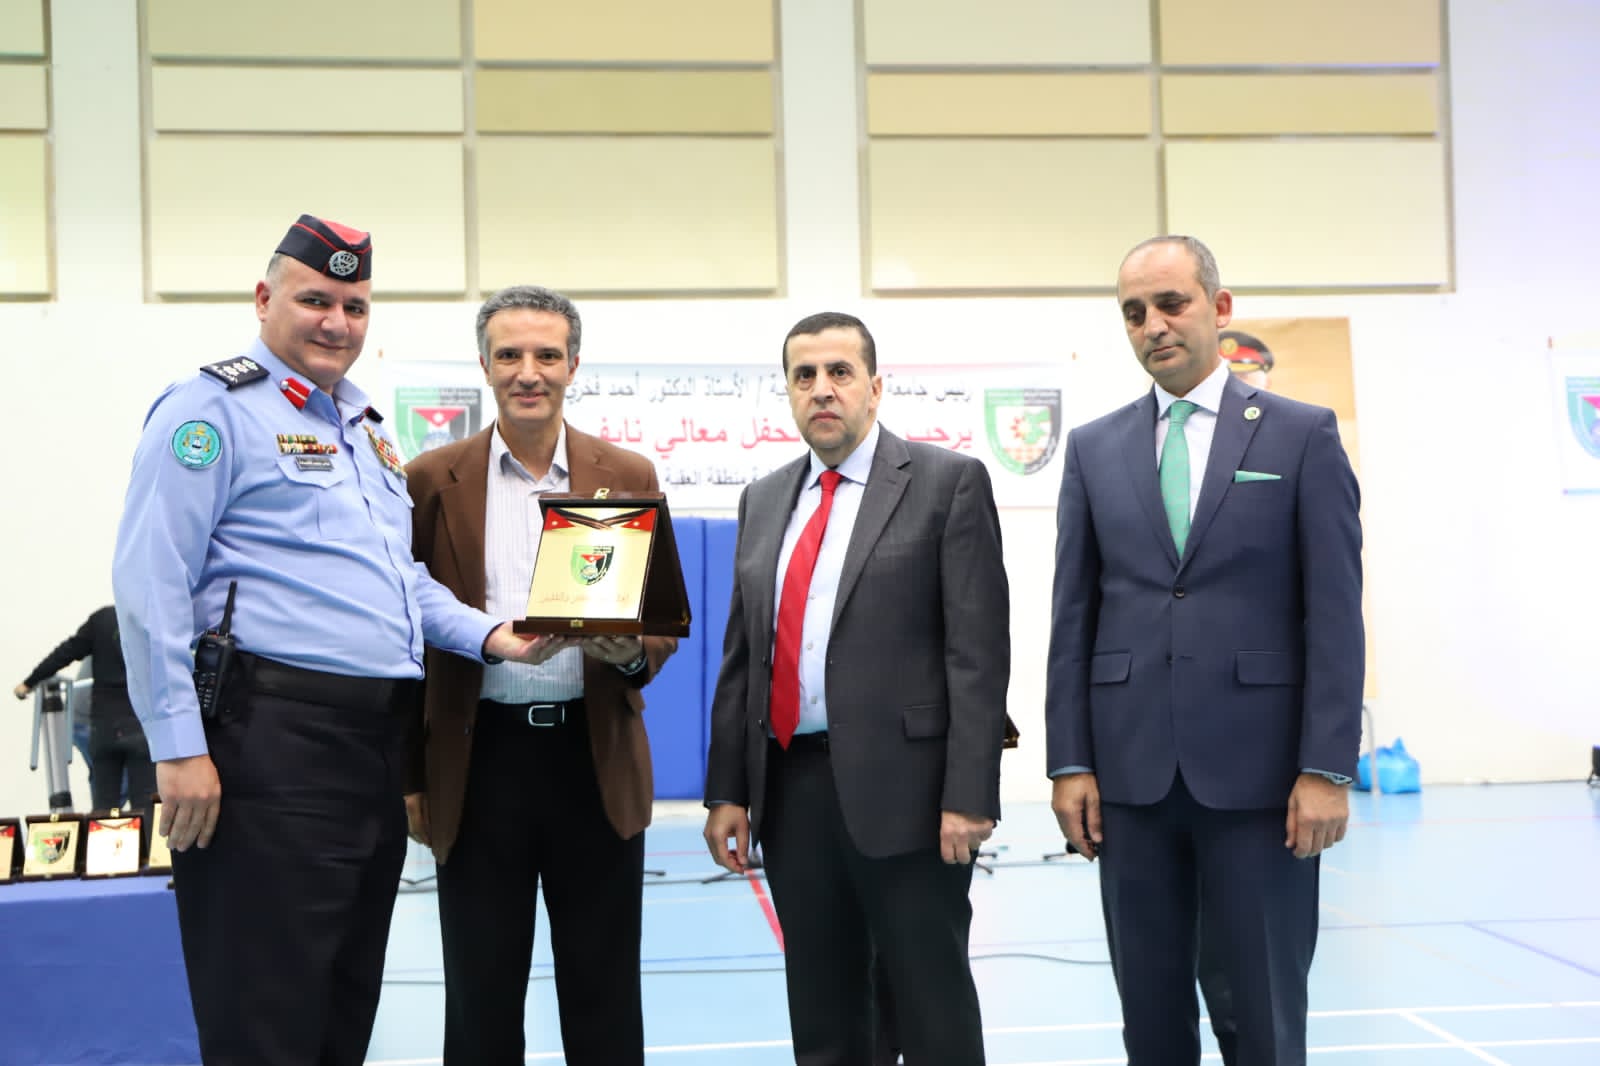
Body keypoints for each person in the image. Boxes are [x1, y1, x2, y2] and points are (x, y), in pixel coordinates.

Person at [112, 214, 558, 1066]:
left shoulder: (366, 430)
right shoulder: (209, 411)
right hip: (265, 744)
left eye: (354, 307)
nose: (336, 322)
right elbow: (149, 583)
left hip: (370, 747)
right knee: (267, 1012)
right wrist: (178, 745)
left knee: (342, 1006)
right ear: (263, 299)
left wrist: (491, 635)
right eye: (315, 300)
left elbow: (402, 581)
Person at [1046, 235, 1363, 1066]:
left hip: (1264, 782)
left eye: (1171, 303)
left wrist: (1327, 768)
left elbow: (1335, 615)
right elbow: (1073, 615)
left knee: (1262, 1015)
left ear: (1219, 308)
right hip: (1131, 781)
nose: (1153, 325)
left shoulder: (1301, 436)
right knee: (1150, 1022)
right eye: (1133, 313)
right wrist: (1069, 762)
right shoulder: (1094, 448)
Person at [703, 311, 1010, 1065]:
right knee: (825, 1013)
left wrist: (970, 793)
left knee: (931, 1009)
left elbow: (977, 654)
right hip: (793, 792)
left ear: (874, 387)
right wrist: (727, 791)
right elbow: (743, 657)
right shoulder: (764, 499)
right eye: (804, 375)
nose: (822, 389)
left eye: (839, 372)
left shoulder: (945, 484)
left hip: (913, 796)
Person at [404, 285, 677, 1065]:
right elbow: (405, 634)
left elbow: (659, 622)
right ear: (484, 364)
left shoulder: (626, 472)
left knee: (603, 993)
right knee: (481, 996)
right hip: (477, 762)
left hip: (593, 761)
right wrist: (410, 777)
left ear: (574, 365)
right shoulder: (431, 479)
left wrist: (629, 655)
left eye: (547, 355)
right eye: (511, 355)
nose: (529, 372)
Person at [14, 605, 153, 811]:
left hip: (104, 728)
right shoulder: (149, 617)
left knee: (104, 807)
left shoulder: (101, 619)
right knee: (144, 805)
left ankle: (102, 830)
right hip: (139, 727)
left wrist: (28, 683)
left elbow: (65, 652)